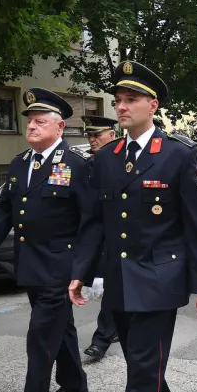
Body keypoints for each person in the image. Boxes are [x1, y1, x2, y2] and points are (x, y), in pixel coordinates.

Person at [70, 60, 197, 392]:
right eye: (117, 100)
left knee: (139, 375)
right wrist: (81, 271)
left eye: (130, 99)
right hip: (118, 281)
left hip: (159, 280)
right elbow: (95, 222)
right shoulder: (106, 157)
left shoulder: (177, 154)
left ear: (152, 105)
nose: (121, 106)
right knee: (148, 367)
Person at [0, 89, 91, 392]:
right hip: (29, 264)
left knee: (40, 339)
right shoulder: (21, 161)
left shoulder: (77, 166)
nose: (32, 127)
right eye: (30, 121)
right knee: (60, 326)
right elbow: (5, 209)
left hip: (60, 267)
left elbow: (91, 221)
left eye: (40, 121)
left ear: (60, 126)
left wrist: (90, 270)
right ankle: (74, 383)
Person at [82, 115, 120, 363]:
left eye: (98, 135)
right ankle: (115, 326)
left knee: (110, 288)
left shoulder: (120, 162)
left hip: (115, 235)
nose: (93, 140)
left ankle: (101, 340)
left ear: (112, 135)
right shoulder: (86, 164)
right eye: (89, 135)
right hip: (89, 234)